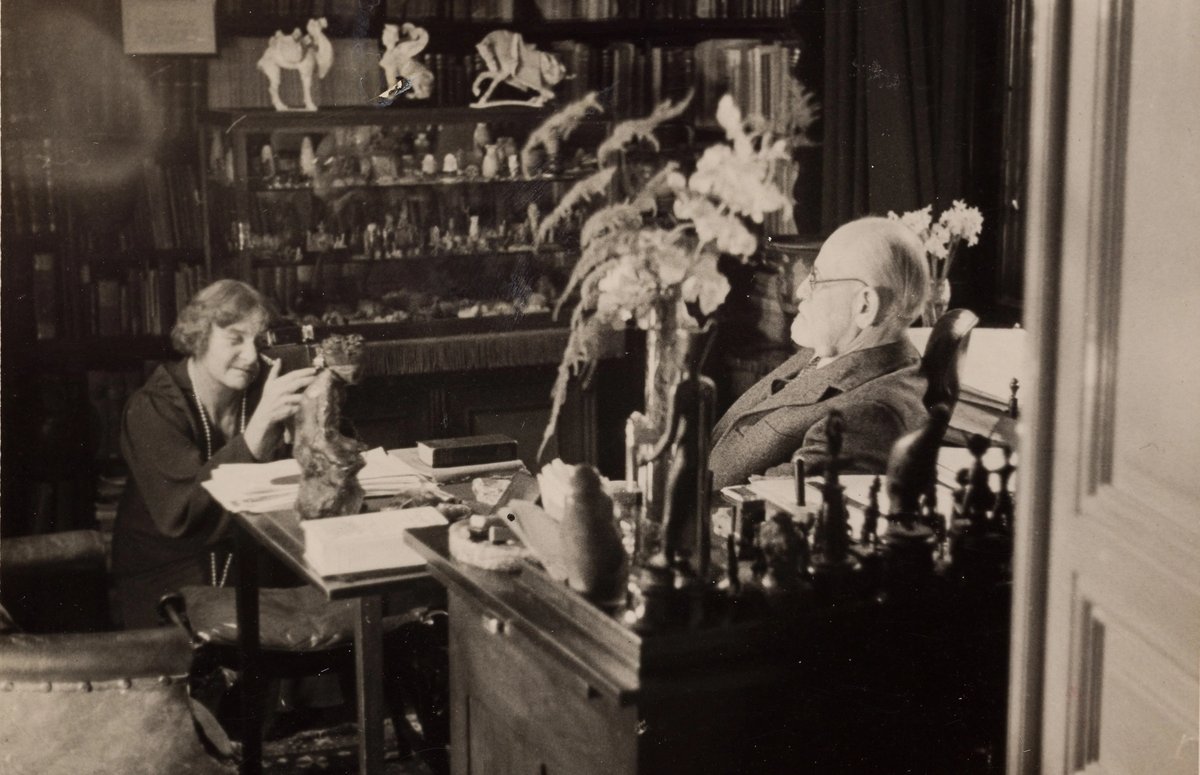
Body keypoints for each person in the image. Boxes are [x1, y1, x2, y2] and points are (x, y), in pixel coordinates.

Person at [112, 280, 316, 628]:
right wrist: (255, 435)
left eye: (258, 341)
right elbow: (183, 514)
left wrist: (314, 414)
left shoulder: (265, 383)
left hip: (252, 561)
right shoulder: (152, 407)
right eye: (235, 339)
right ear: (199, 336)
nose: (251, 357)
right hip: (168, 578)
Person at [708, 216, 931, 490]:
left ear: (865, 306)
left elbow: (767, 511)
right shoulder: (834, 350)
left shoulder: (866, 418)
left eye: (815, 279)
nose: (801, 291)